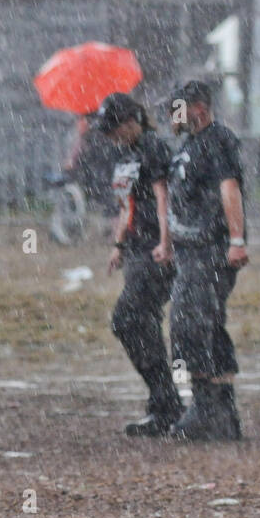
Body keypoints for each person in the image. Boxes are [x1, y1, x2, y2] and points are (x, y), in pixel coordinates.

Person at [165, 80, 246, 440]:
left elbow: (230, 188)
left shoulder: (217, 140)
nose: (172, 117)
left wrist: (237, 239)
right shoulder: (189, 144)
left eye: (177, 109)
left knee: (191, 323)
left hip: (209, 249)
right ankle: (221, 412)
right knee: (205, 325)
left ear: (198, 106)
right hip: (189, 251)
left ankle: (206, 407)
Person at [95, 92, 180, 435]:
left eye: (114, 129)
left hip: (153, 249)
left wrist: (166, 241)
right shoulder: (124, 154)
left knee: (127, 319)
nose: (110, 136)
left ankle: (166, 401)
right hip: (134, 249)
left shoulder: (153, 148)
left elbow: (164, 197)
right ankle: (164, 404)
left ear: (132, 122)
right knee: (138, 323)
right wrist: (118, 244)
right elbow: (124, 205)